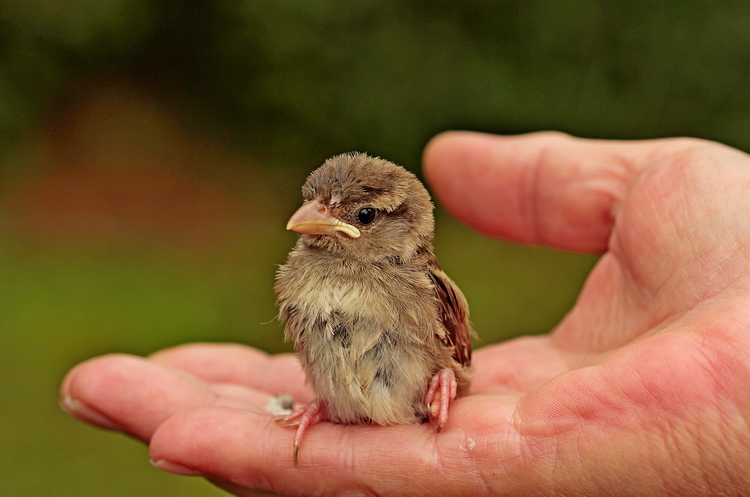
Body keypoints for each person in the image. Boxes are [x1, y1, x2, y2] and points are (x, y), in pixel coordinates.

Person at [60, 131, 750, 495]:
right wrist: (318, 403)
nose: (315, 224)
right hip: (335, 407)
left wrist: (450, 376)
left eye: (356, 217)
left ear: (400, 225)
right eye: (318, 208)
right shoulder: (298, 279)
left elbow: (457, 353)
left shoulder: (427, 289)